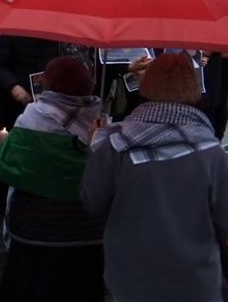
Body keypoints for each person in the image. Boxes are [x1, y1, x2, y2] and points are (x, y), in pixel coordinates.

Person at [82, 53, 228, 302]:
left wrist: (95, 145)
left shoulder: (115, 146)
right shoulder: (212, 152)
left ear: (146, 87)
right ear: (193, 90)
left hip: (129, 277)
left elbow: (92, 201)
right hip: (196, 280)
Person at [0, 57, 105, 302]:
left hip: (36, 231)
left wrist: (5, 142)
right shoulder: (100, 119)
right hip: (89, 230)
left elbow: (5, 167)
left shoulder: (32, 117)